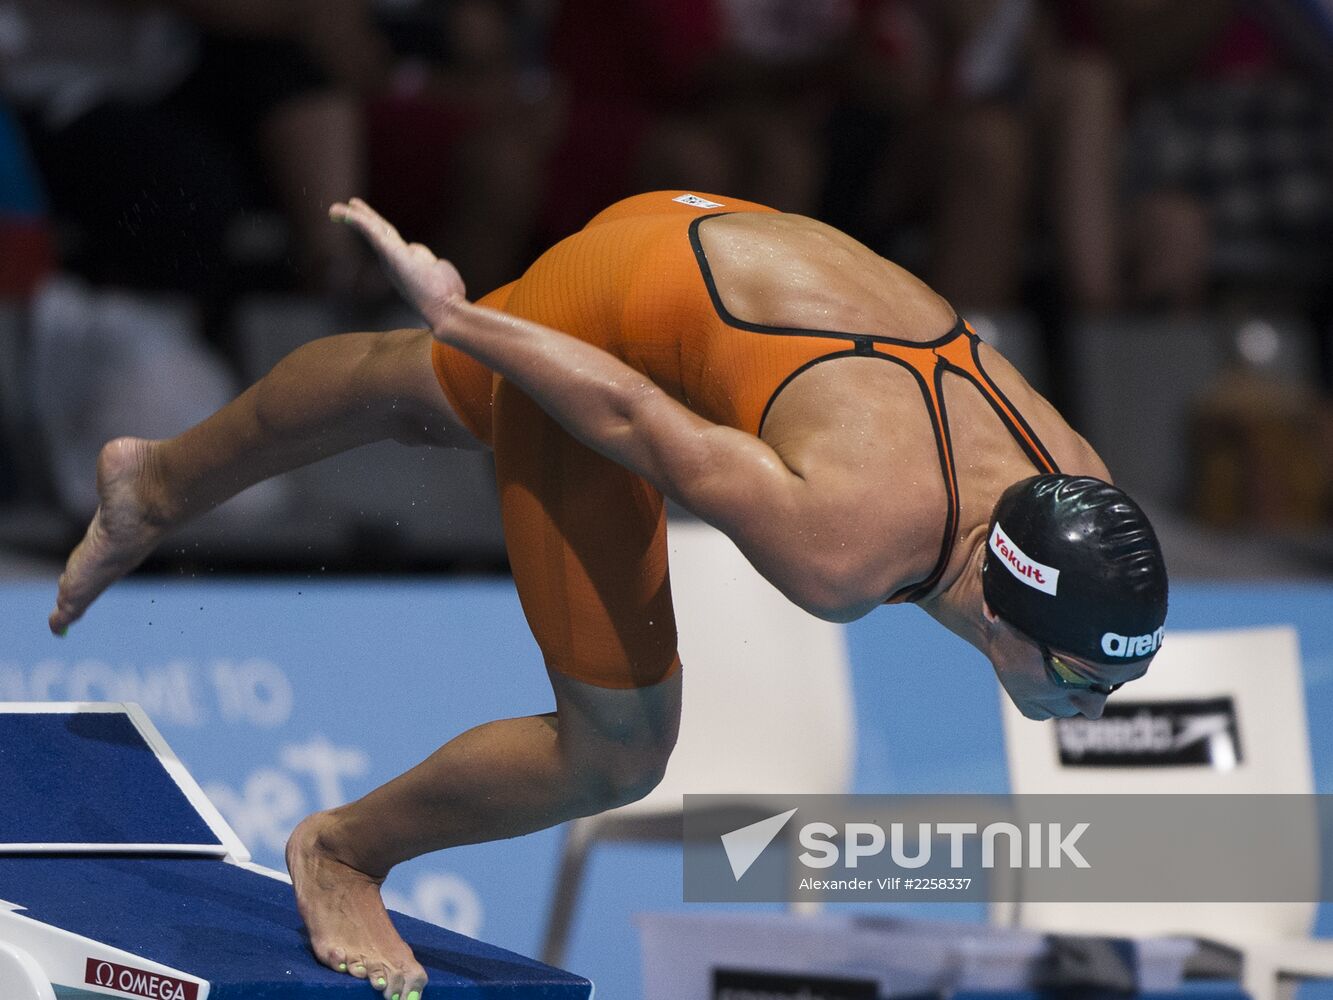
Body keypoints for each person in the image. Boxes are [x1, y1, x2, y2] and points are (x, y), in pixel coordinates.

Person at [47, 190, 1168, 999]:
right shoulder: (847, 543)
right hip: (633, 321)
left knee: (414, 390)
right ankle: (343, 852)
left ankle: (149, 481)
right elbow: (636, 420)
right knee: (620, 747)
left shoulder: (1079, 496)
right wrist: (469, 314)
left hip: (696, 233)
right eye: (1080, 677)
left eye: (1117, 676)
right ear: (1009, 605)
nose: (1095, 706)